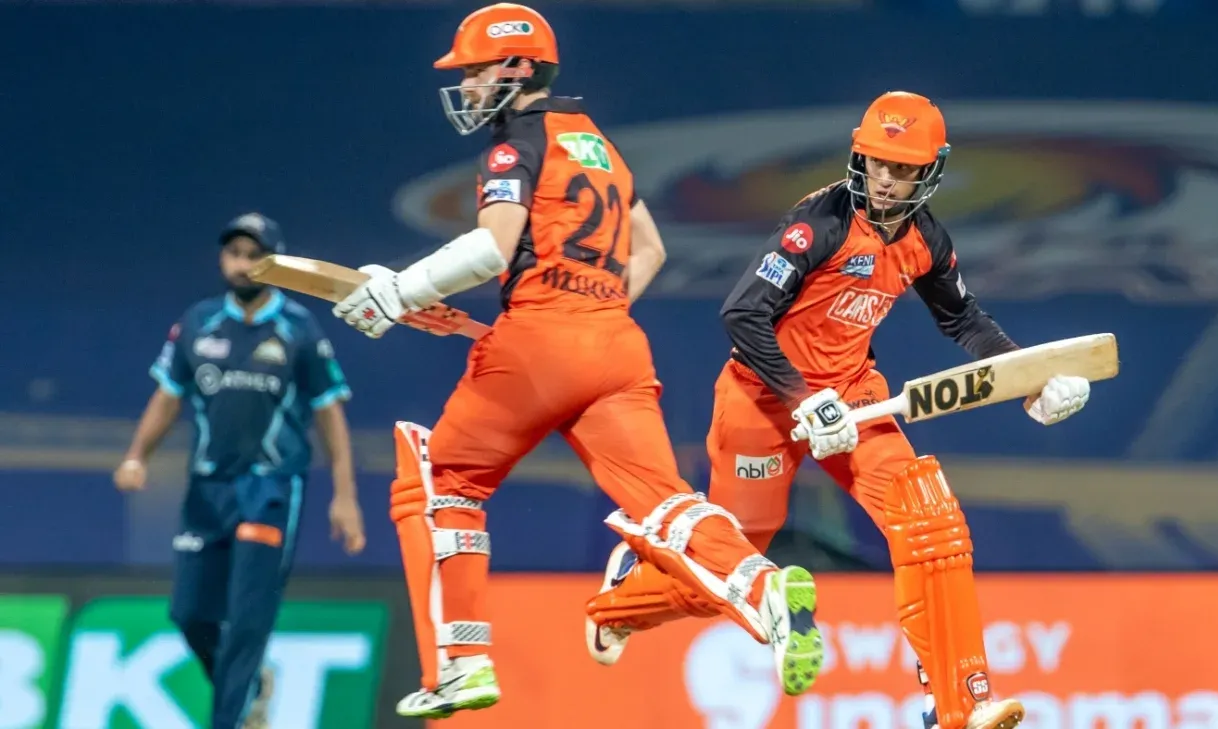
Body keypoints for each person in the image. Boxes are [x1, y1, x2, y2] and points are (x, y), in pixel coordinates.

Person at [330, 2, 825, 720]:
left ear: (517, 67)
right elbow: (650, 249)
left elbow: (493, 247)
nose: (465, 87)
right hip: (615, 341)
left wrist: (399, 291)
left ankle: (460, 665)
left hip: (539, 342)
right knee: (663, 501)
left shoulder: (514, 144)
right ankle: (761, 585)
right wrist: (588, 305)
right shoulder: (598, 145)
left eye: (474, 72)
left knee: (440, 481)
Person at [585, 91, 1094, 729]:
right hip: (762, 401)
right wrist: (803, 399)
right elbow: (742, 314)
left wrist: (1030, 378)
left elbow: (962, 319)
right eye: (878, 162)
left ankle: (957, 703)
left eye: (902, 168)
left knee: (930, 518)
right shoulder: (819, 223)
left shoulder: (926, 239)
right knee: (733, 566)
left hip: (854, 395)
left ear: (930, 171)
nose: (885, 180)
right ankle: (622, 602)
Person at [113, 212, 367, 729]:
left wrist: (344, 496)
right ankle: (251, 689)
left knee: (249, 621)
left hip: (271, 488)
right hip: (208, 486)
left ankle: (229, 718)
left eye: (255, 256)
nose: (243, 264)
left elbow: (330, 414)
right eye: (235, 254)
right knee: (189, 613)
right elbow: (168, 396)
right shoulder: (199, 321)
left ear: (274, 262)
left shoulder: (297, 327)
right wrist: (136, 455)